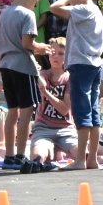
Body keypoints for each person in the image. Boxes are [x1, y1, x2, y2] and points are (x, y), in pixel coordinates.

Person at [50, 0, 103, 170]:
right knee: (93, 112)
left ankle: (81, 159)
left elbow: (54, 8)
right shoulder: (97, 10)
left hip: (82, 65)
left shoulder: (84, 9)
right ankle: (92, 160)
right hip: (94, 65)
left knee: (82, 112)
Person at [0, 0, 42, 168]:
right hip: (22, 66)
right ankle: (21, 155)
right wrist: (43, 48)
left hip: (5, 65)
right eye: (36, 0)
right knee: (26, 113)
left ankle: (9, 155)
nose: (35, 4)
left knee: (12, 112)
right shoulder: (28, 14)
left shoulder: (4, 13)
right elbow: (27, 44)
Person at [26, 42, 78, 171]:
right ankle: (42, 160)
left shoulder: (69, 78)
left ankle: (59, 151)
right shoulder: (43, 74)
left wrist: (46, 93)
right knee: (37, 156)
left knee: (81, 154)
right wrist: (36, 73)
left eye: (61, 54)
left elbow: (65, 109)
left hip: (65, 128)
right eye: (53, 53)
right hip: (43, 127)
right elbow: (40, 82)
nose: (56, 57)